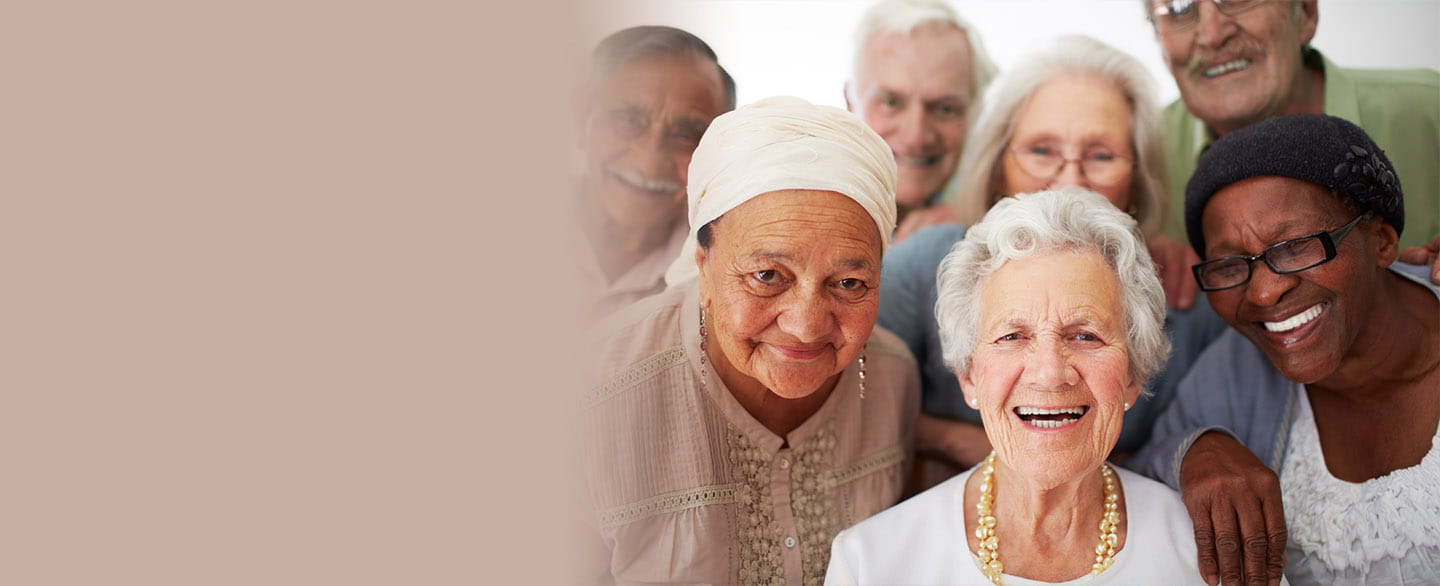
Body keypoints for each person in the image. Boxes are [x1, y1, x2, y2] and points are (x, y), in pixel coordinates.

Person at [582, 97, 920, 586]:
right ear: (704, 266)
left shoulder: (892, 377)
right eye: (767, 275)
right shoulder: (591, 394)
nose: (806, 326)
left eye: (848, 283)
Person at [876, 35, 1228, 489]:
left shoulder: (1184, 299)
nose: (1070, 181)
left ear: (1140, 181)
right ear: (997, 163)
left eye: (1101, 156)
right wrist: (969, 443)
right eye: (1042, 151)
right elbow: (855, 404)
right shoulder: (921, 265)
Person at [827, 189, 1208, 585]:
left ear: (1133, 375)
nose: (1049, 373)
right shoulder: (871, 562)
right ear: (969, 376)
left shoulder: (1208, 552)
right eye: (1012, 337)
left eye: (1085, 336)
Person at [1133, 114, 1440, 585]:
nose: (1262, 293)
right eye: (1229, 264)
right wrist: (1199, 450)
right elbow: (1145, 461)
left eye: (1296, 246)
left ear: (1382, 240)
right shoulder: (1235, 369)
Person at [1144, 0, 1439, 252]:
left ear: (1306, 13)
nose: (1211, 34)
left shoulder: (1430, 108)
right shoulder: (1139, 159)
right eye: (1178, 6)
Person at [575, 26, 735, 321]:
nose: (650, 161)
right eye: (628, 120)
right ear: (582, 122)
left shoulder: (726, 277)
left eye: (685, 135)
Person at [844, 0, 997, 243]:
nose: (915, 136)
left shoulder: (995, 220)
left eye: (945, 109)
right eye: (891, 103)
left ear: (976, 113)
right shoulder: (796, 203)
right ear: (850, 102)